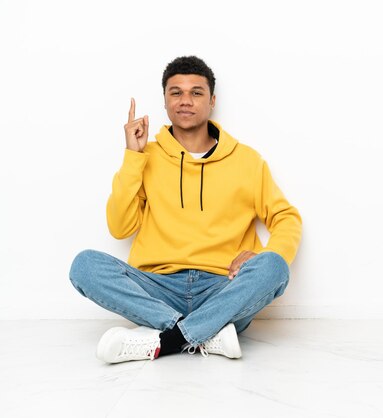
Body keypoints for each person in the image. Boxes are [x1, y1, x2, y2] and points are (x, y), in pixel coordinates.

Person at [69, 56, 302, 364]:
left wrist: (262, 255)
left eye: (196, 92)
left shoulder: (247, 160)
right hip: (158, 287)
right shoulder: (145, 156)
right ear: (165, 102)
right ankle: (209, 333)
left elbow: (287, 218)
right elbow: (119, 227)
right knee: (84, 265)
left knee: (274, 266)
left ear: (212, 100)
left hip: (223, 289)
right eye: (176, 92)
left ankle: (168, 340)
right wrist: (132, 157)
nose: (185, 101)